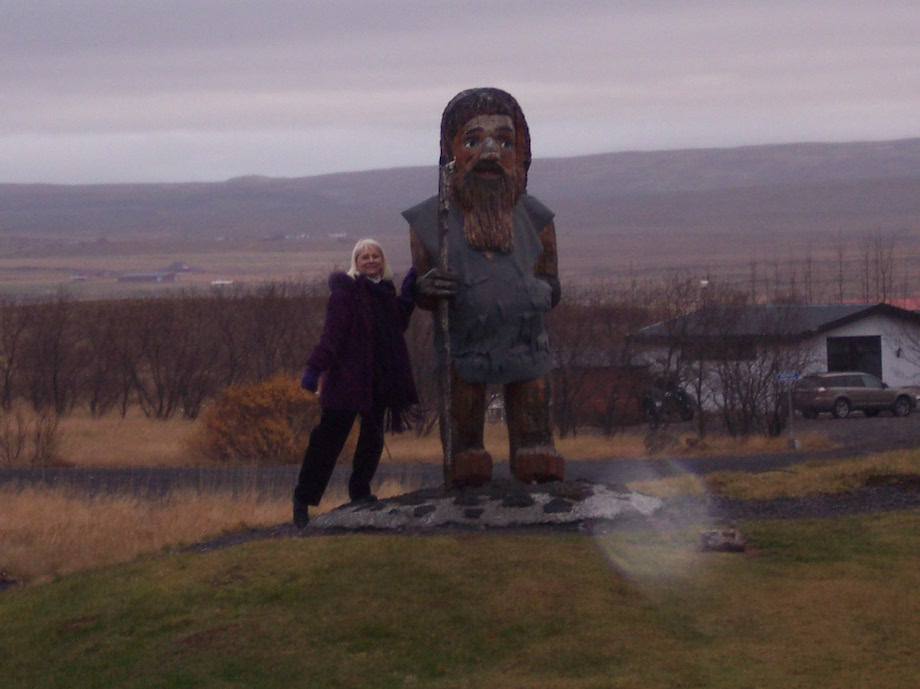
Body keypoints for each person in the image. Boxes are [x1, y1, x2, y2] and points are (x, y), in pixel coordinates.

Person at [402, 87, 564, 488]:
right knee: (463, 403)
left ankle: (533, 446)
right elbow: (420, 290)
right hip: (464, 346)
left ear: (521, 154)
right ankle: (465, 451)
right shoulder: (431, 222)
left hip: (526, 344)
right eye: (473, 141)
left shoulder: (536, 218)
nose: (489, 153)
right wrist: (428, 288)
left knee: (532, 400)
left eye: (504, 142)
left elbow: (551, 283)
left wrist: (541, 292)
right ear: (451, 153)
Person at [292, 238, 418, 527]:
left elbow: (397, 324)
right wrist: (314, 369)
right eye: (364, 257)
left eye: (375, 255)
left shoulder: (386, 293)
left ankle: (359, 492)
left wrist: (409, 289)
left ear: (382, 261)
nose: (371, 260)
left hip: (377, 383)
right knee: (327, 442)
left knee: (372, 440)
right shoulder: (345, 295)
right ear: (356, 263)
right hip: (346, 382)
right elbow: (331, 336)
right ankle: (302, 500)